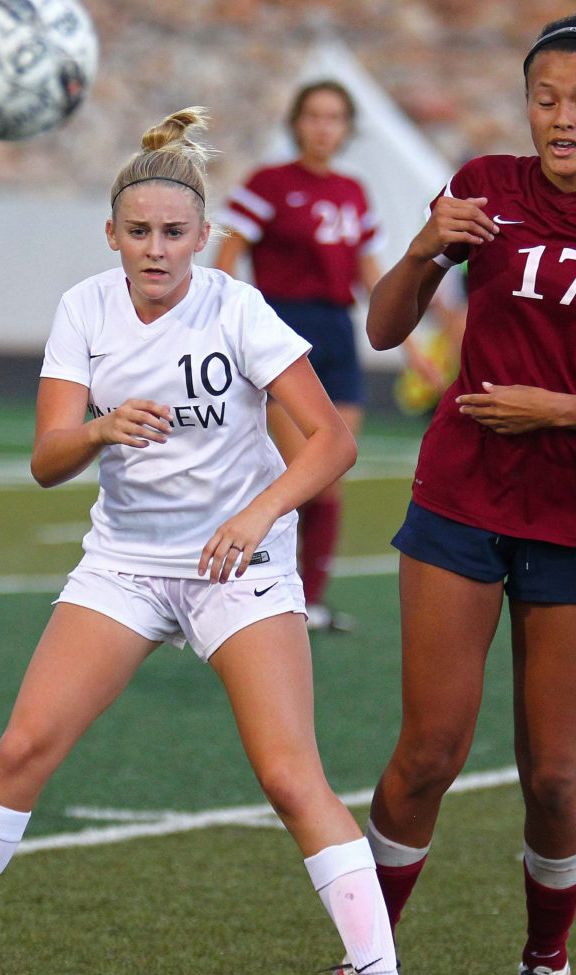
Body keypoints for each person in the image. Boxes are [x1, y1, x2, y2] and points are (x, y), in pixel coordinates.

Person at [0, 108, 403, 975]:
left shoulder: (237, 306)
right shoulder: (83, 308)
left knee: (291, 777)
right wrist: (99, 430)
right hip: (125, 565)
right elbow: (47, 461)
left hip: (235, 568)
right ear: (111, 235)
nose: (157, 249)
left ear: (205, 237)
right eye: (139, 232)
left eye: (175, 233)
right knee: (22, 750)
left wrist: (257, 517)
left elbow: (331, 441)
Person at [326, 15, 576, 975]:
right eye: (544, 98)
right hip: (460, 493)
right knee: (425, 751)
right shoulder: (480, 185)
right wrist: (424, 243)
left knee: (551, 772)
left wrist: (555, 408)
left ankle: (545, 963)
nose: (560, 117)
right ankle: (368, 965)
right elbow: (382, 329)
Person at [215, 80, 384, 632]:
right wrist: (234, 321)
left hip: (338, 333)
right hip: (285, 331)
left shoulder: (355, 190)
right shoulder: (270, 182)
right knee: (297, 473)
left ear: (347, 128)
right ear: (296, 122)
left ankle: (308, 602)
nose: (323, 127)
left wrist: (412, 337)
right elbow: (228, 253)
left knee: (331, 474)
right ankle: (256, 593)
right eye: (313, 115)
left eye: (335, 117)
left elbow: (368, 270)